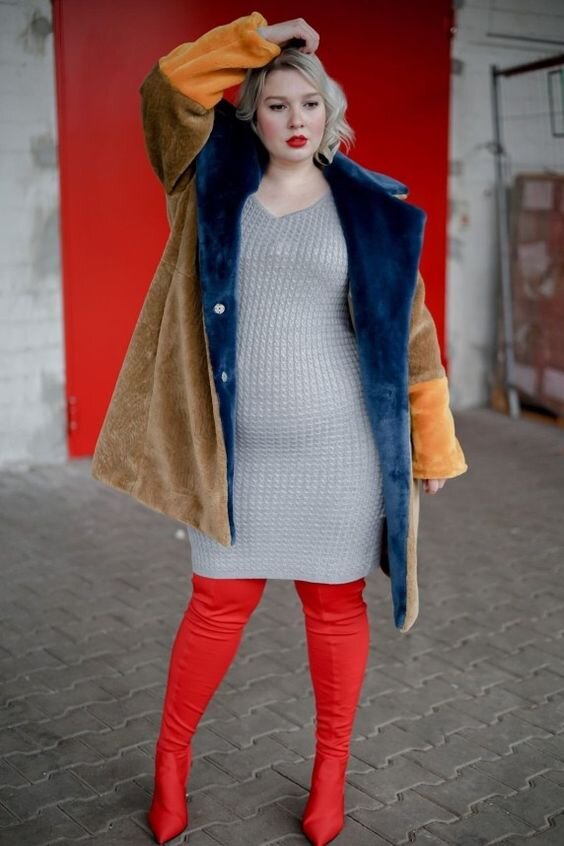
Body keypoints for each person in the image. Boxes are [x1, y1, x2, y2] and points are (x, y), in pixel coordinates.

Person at [90, 11, 468, 846]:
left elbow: (413, 337)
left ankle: (330, 775)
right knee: (217, 603)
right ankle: (171, 764)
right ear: (251, 114)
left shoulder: (371, 211)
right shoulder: (207, 178)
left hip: (340, 452)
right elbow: (167, 88)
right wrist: (259, 39)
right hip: (234, 452)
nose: (296, 119)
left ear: (331, 113)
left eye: (311, 103)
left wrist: (431, 443)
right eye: (276, 103)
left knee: (334, 607)